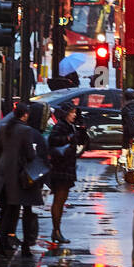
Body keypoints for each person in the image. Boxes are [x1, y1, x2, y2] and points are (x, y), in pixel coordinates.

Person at [0, 102, 46, 256]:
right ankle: (25, 245)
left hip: (2, 173)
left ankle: (2, 241)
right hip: (18, 175)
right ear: (25, 115)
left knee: (6, 210)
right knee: (24, 209)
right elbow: (29, 154)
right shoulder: (25, 130)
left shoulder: (4, 127)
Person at [46, 104, 80, 244]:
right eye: (72, 112)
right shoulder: (61, 126)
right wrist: (68, 139)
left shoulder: (69, 126)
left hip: (66, 167)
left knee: (62, 199)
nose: (74, 115)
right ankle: (56, 230)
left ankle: (57, 230)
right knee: (59, 200)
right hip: (61, 168)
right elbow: (53, 140)